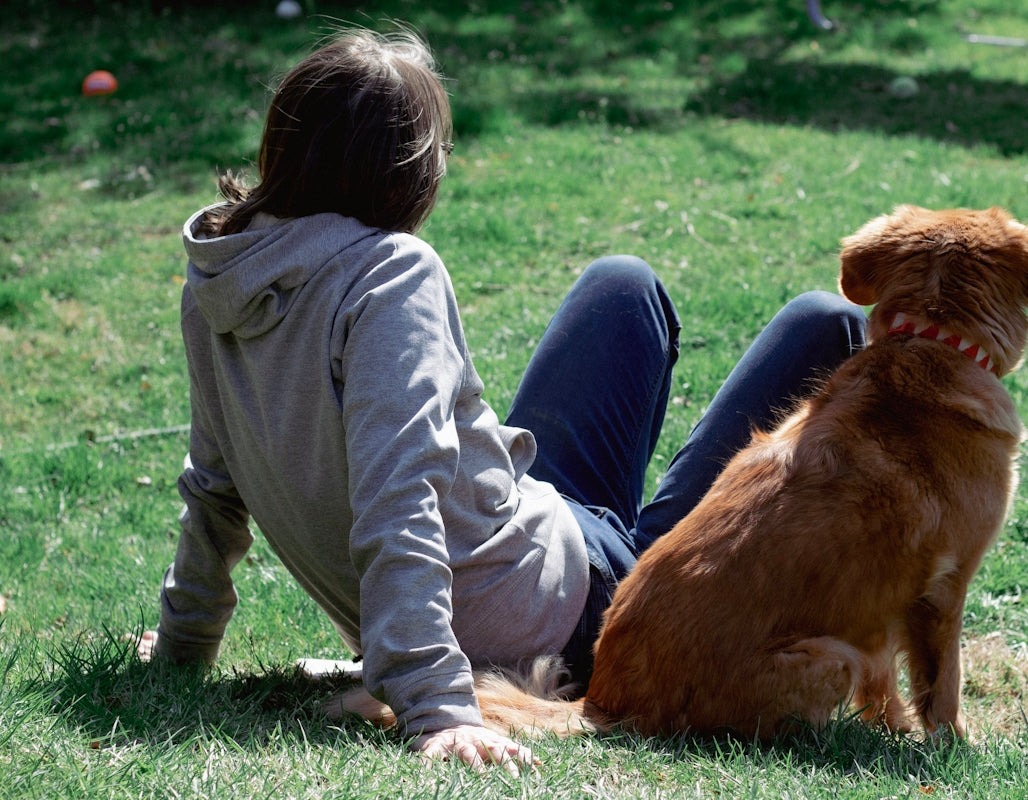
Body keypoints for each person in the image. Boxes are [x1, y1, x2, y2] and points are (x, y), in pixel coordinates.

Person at [138, 27, 866, 773]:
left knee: (623, 285)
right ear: (404, 173)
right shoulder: (389, 274)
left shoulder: (222, 280)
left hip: (533, 539)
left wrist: (182, 645)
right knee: (830, 324)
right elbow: (400, 493)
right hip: (581, 613)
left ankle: (638, 540)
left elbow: (214, 485)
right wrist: (436, 704)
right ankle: (664, 561)